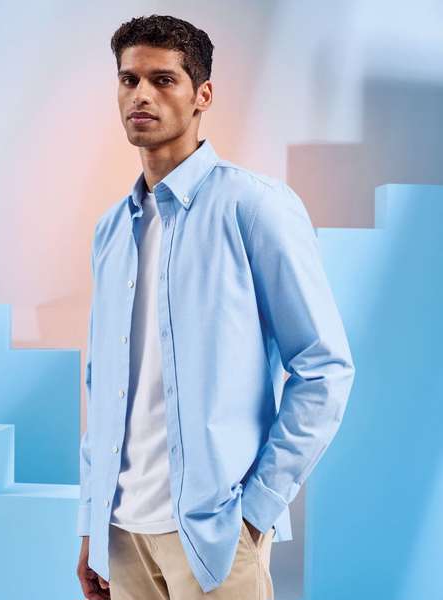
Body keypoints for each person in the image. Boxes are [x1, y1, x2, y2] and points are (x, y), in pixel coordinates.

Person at [76, 13, 355, 600]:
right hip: (121, 535)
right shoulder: (111, 229)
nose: (141, 95)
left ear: (202, 95)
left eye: (163, 80)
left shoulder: (253, 205)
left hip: (214, 536)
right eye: (129, 80)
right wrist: (91, 525)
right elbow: (103, 388)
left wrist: (255, 511)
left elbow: (324, 367)